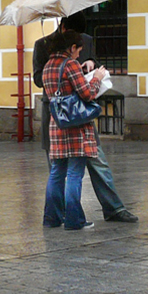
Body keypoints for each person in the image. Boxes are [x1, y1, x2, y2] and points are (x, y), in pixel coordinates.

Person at [32, 12, 138, 223]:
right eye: (76, 44)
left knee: (79, 167)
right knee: (69, 172)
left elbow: (88, 65)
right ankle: (71, 217)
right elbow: (40, 79)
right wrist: (79, 75)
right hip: (70, 116)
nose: (80, 47)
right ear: (65, 30)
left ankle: (59, 216)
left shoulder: (84, 43)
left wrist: (87, 64)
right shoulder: (42, 45)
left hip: (61, 119)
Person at [42, 30, 109, 230]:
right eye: (78, 50)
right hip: (75, 126)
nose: (78, 55)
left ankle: (52, 218)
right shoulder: (70, 64)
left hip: (57, 124)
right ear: (71, 47)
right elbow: (87, 94)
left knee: (56, 173)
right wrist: (96, 77)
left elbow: (63, 87)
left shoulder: (48, 66)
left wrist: (79, 70)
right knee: (74, 174)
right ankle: (73, 220)